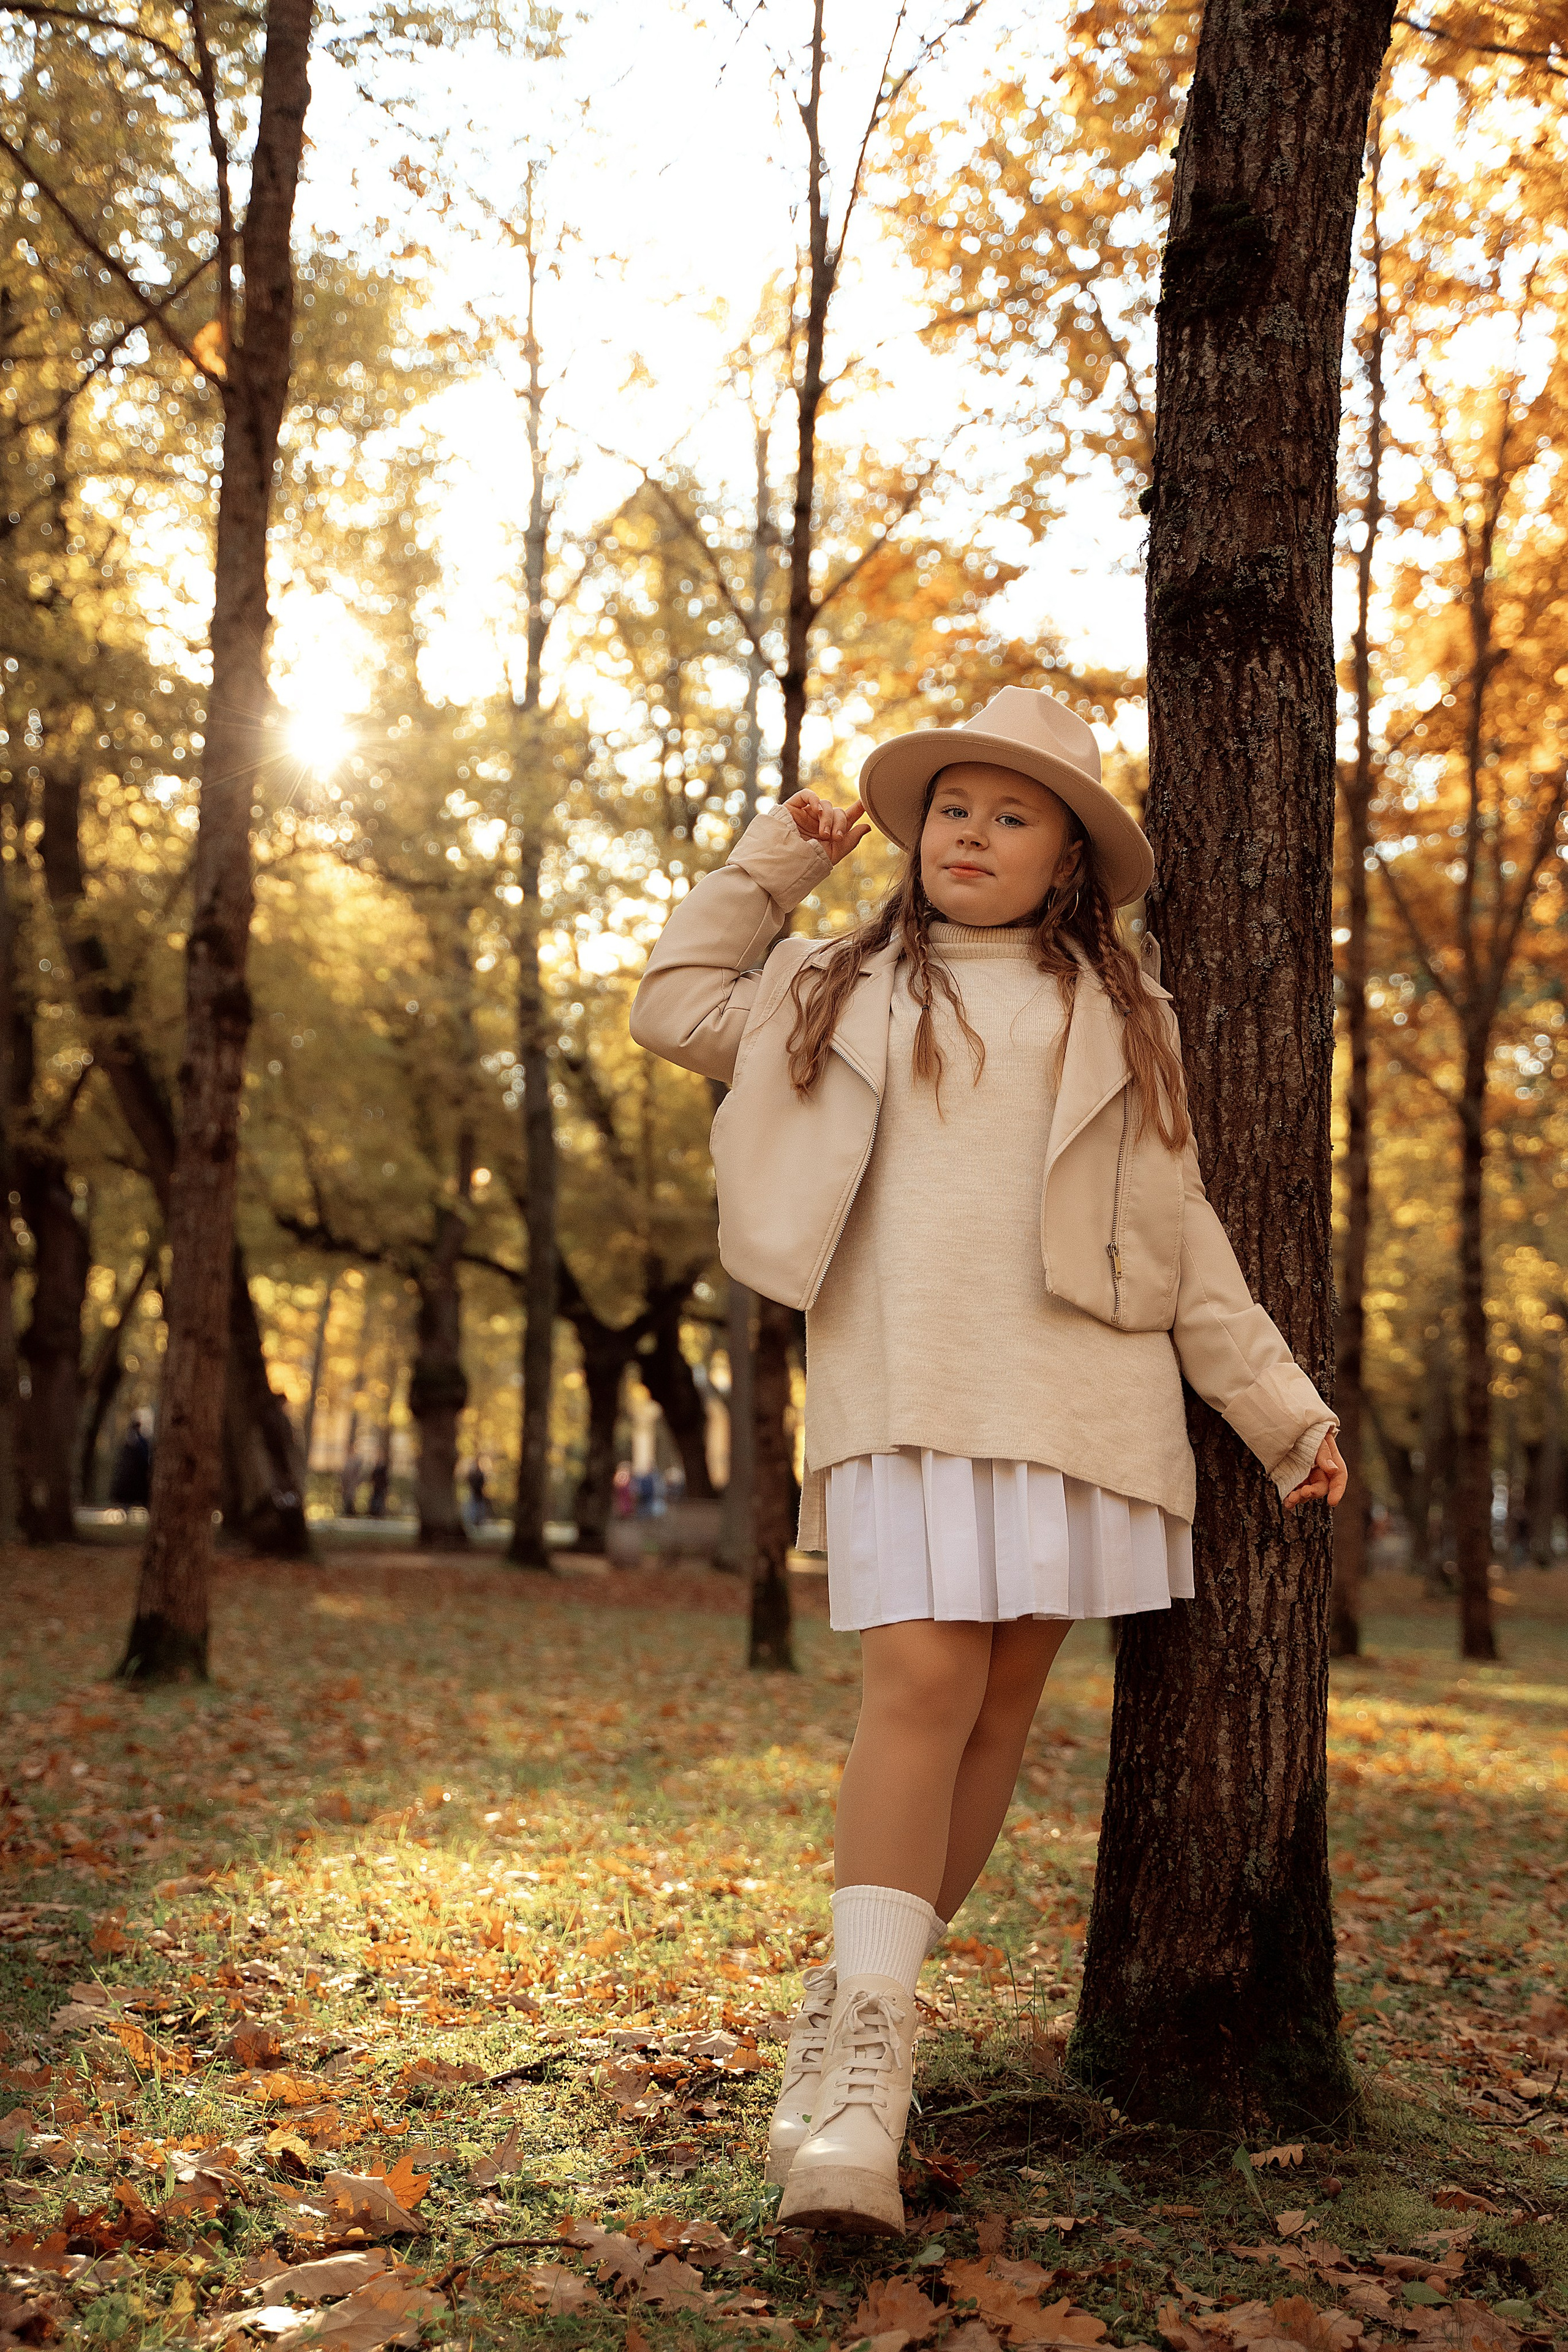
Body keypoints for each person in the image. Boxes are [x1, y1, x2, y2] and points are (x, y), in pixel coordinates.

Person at [630, 687, 1346, 2237]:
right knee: (919, 1685)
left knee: (999, 1705)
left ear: (1065, 862)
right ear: (916, 834)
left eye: (1013, 815)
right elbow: (670, 1000)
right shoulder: (831, 982)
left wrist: (1279, 1410)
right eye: (953, 805)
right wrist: (774, 863)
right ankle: (860, 2102)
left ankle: (844, 2033)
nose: (973, 831)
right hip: (905, 1391)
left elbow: (1185, 1231)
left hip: (1080, 1398)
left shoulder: (1120, 1012)